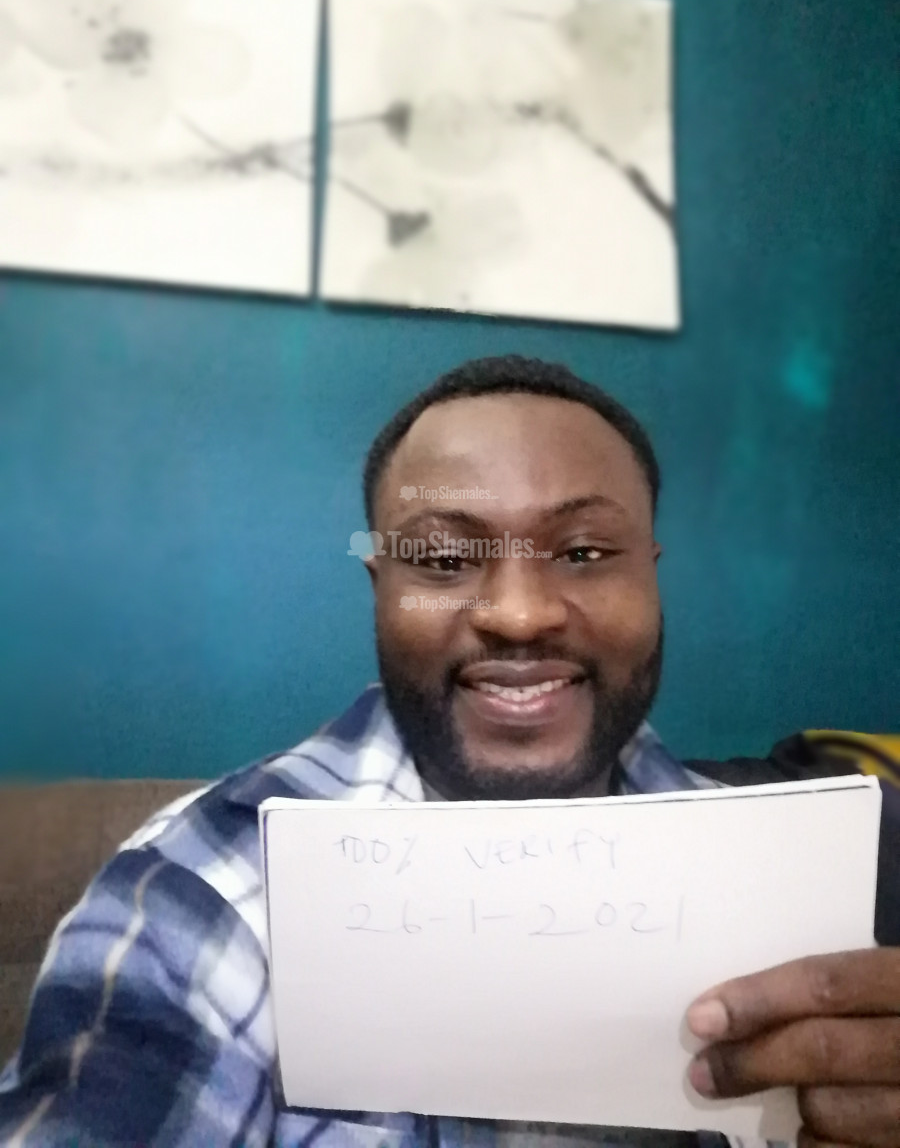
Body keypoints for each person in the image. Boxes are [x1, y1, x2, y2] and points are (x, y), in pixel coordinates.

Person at [1, 355, 897, 1148]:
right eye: (441, 560)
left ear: (651, 574)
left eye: (585, 552)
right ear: (380, 585)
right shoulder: (204, 890)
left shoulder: (795, 884)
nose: (520, 614)